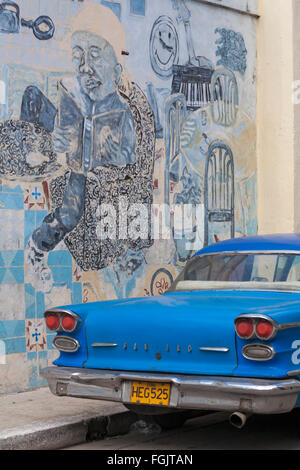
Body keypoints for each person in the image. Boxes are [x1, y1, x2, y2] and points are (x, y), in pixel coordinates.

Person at [25, 3, 136, 291]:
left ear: (116, 64)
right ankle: (30, 157)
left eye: (95, 55)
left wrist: (111, 159)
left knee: (71, 214)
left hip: (83, 167)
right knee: (33, 96)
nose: (84, 66)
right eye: (78, 55)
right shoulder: (72, 89)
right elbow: (62, 124)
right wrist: (54, 141)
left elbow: (127, 160)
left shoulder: (122, 113)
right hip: (68, 150)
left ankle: (37, 247)